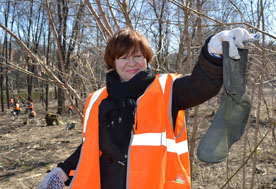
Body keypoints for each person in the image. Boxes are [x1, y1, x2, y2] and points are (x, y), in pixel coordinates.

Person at [39, 27, 258, 189]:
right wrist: (63, 169)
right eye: (123, 58)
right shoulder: (98, 99)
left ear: (147, 58)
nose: (132, 63)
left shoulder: (166, 89)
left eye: (137, 56)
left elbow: (200, 86)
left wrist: (213, 52)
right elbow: (92, 145)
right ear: (112, 63)